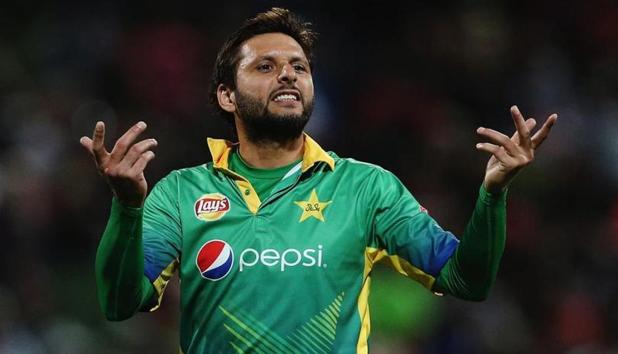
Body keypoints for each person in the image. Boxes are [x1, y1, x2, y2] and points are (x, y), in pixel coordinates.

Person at [80, 7, 557, 354]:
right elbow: (121, 303)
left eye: (299, 67)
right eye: (265, 66)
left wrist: (493, 195)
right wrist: (126, 208)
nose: (287, 74)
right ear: (227, 96)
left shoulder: (366, 189)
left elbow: (466, 281)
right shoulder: (180, 193)